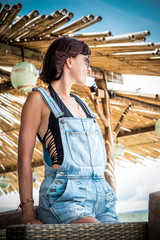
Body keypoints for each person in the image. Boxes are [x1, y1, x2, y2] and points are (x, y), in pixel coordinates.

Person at [18, 36, 119, 224]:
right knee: (100, 234)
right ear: (69, 61)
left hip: (102, 198)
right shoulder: (38, 99)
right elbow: (24, 159)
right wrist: (28, 213)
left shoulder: (83, 105)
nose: (89, 68)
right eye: (86, 61)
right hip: (65, 199)